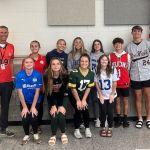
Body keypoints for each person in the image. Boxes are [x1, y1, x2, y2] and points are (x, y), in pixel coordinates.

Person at [126, 25, 150, 129]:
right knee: (138, 97)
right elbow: (127, 63)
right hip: (135, 75)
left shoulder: (148, 44)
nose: (136, 33)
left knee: (148, 97)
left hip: (147, 74)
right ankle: (140, 118)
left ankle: (148, 118)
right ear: (132, 33)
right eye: (134, 31)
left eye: (138, 31)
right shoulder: (128, 46)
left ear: (141, 33)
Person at [16, 57, 43, 145]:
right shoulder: (19, 75)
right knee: (25, 118)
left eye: (30, 62)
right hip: (24, 101)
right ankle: (26, 135)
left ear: (33, 64)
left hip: (35, 101)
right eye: (26, 62)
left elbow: (37, 92)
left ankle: (35, 134)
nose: (28, 64)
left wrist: (33, 107)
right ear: (24, 65)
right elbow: (19, 92)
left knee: (33, 116)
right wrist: (24, 107)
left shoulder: (38, 75)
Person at [22, 40, 47, 133]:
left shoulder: (43, 58)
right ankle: (29, 125)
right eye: (32, 46)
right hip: (28, 88)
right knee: (28, 107)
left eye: (36, 46)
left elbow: (45, 73)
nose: (34, 48)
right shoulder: (26, 59)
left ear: (39, 47)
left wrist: (44, 86)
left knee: (39, 107)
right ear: (30, 47)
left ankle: (37, 125)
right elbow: (23, 74)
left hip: (40, 88)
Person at [68, 53, 94, 139]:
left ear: (89, 62)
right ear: (79, 62)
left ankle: (87, 128)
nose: (84, 63)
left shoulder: (91, 73)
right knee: (78, 109)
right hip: (74, 95)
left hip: (84, 95)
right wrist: (78, 100)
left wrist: (84, 99)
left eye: (86, 61)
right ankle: (76, 129)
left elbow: (89, 88)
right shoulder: (74, 72)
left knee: (85, 109)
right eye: (82, 61)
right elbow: (73, 89)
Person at [44, 57, 68, 146]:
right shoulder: (46, 75)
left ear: (61, 65)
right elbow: (48, 92)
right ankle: (53, 135)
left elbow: (63, 91)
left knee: (61, 114)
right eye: (53, 64)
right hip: (51, 97)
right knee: (54, 114)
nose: (56, 66)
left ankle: (63, 133)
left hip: (63, 97)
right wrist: (53, 105)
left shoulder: (65, 75)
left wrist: (60, 105)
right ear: (50, 66)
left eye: (58, 63)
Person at [95, 54, 118, 137]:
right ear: (99, 61)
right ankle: (103, 127)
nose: (104, 61)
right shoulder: (97, 70)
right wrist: (100, 95)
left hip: (111, 95)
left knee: (110, 112)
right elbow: (96, 83)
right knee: (103, 112)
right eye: (102, 59)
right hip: (102, 95)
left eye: (106, 60)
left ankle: (110, 128)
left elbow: (115, 82)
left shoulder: (112, 69)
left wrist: (112, 94)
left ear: (108, 61)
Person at [110, 37, 130, 128]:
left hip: (125, 82)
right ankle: (118, 118)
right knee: (117, 101)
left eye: (119, 43)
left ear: (122, 45)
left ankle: (125, 118)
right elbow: (109, 69)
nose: (118, 45)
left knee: (125, 101)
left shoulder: (127, 55)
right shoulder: (110, 56)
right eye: (116, 44)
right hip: (115, 83)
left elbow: (128, 68)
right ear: (114, 46)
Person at [0, 25, 14, 137]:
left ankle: (3, 129)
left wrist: (12, 77)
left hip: (7, 82)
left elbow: (11, 62)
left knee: (5, 106)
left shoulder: (11, 46)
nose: (3, 34)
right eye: (1, 32)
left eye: (5, 32)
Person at [90, 39, 104, 127]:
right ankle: (97, 119)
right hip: (92, 80)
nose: (96, 46)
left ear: (101, 45)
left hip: (102, 80)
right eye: (95, 44)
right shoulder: (90, 55)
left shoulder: (104, 55)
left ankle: (104, 118)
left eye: (98, 44)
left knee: (103, 100)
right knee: (95, 100)